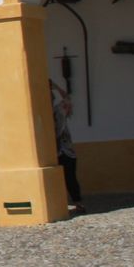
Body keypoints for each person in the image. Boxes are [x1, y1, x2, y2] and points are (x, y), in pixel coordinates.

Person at [50, 80, 85, 212]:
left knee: (70, 178)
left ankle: (78, 203)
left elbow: (67, 98)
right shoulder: (43, 113)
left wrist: (56, 86)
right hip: (52, 151)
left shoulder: (58, 111)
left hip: (65, 150)